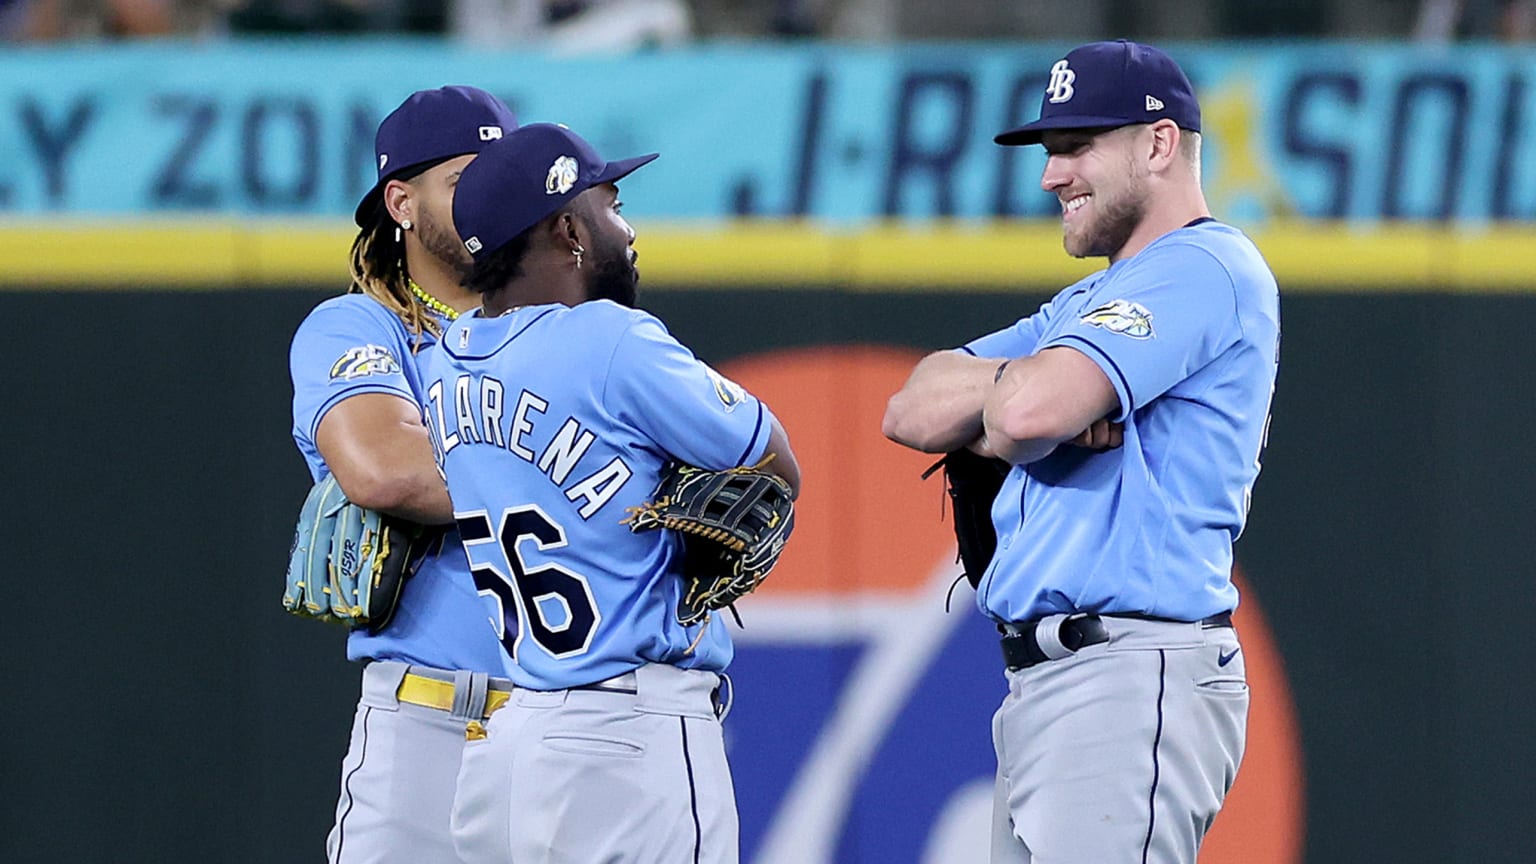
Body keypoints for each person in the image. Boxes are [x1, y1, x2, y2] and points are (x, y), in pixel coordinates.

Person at [882, 41, 1279, 863]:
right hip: (1051, 686)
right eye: (1050, 151)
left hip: (1131, 672)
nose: (1050, 176)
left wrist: (1009, 407)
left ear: (1159, 143)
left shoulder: (1206, 266)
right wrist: (1019, 396)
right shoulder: (1088, 301)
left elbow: (1028, 413)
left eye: (1075, 147)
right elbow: (913, 406)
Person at [418, 122, 801, 864]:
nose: (626, 230)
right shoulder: (610, 338)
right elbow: (776, 464)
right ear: (568, 230)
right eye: (611, 205)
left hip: (509, 747)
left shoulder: (444, 361)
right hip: (628, 736)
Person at [286, 85, 518, 864]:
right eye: (464, 180)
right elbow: (386, 469)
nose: (491, 196)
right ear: (402, 201)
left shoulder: (569, 328)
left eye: (503, 175)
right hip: (430, 728)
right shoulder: (359, 326)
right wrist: (575, 481)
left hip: (572, 728)